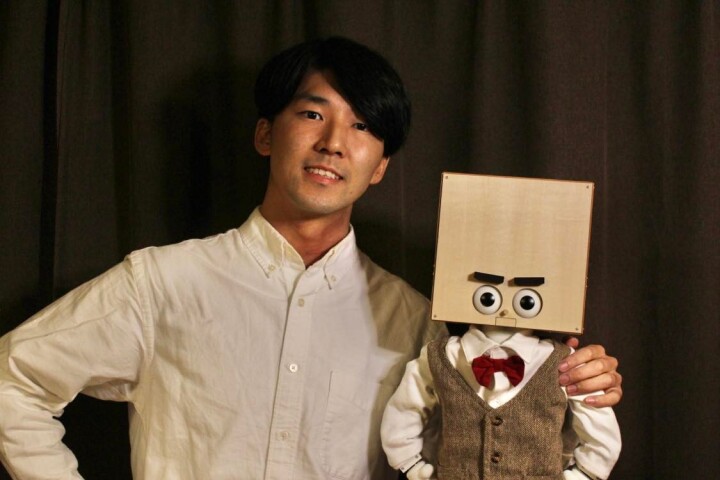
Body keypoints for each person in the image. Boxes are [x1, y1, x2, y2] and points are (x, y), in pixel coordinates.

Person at [0, 37, 622, 479]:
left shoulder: (414, 319)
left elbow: (471, 456)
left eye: (361, 127)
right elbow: (12, 380)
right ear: (266, 133)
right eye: (312, 114)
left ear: (380, 168)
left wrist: (575, 391)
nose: (332, 143)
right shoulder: (162, 283)